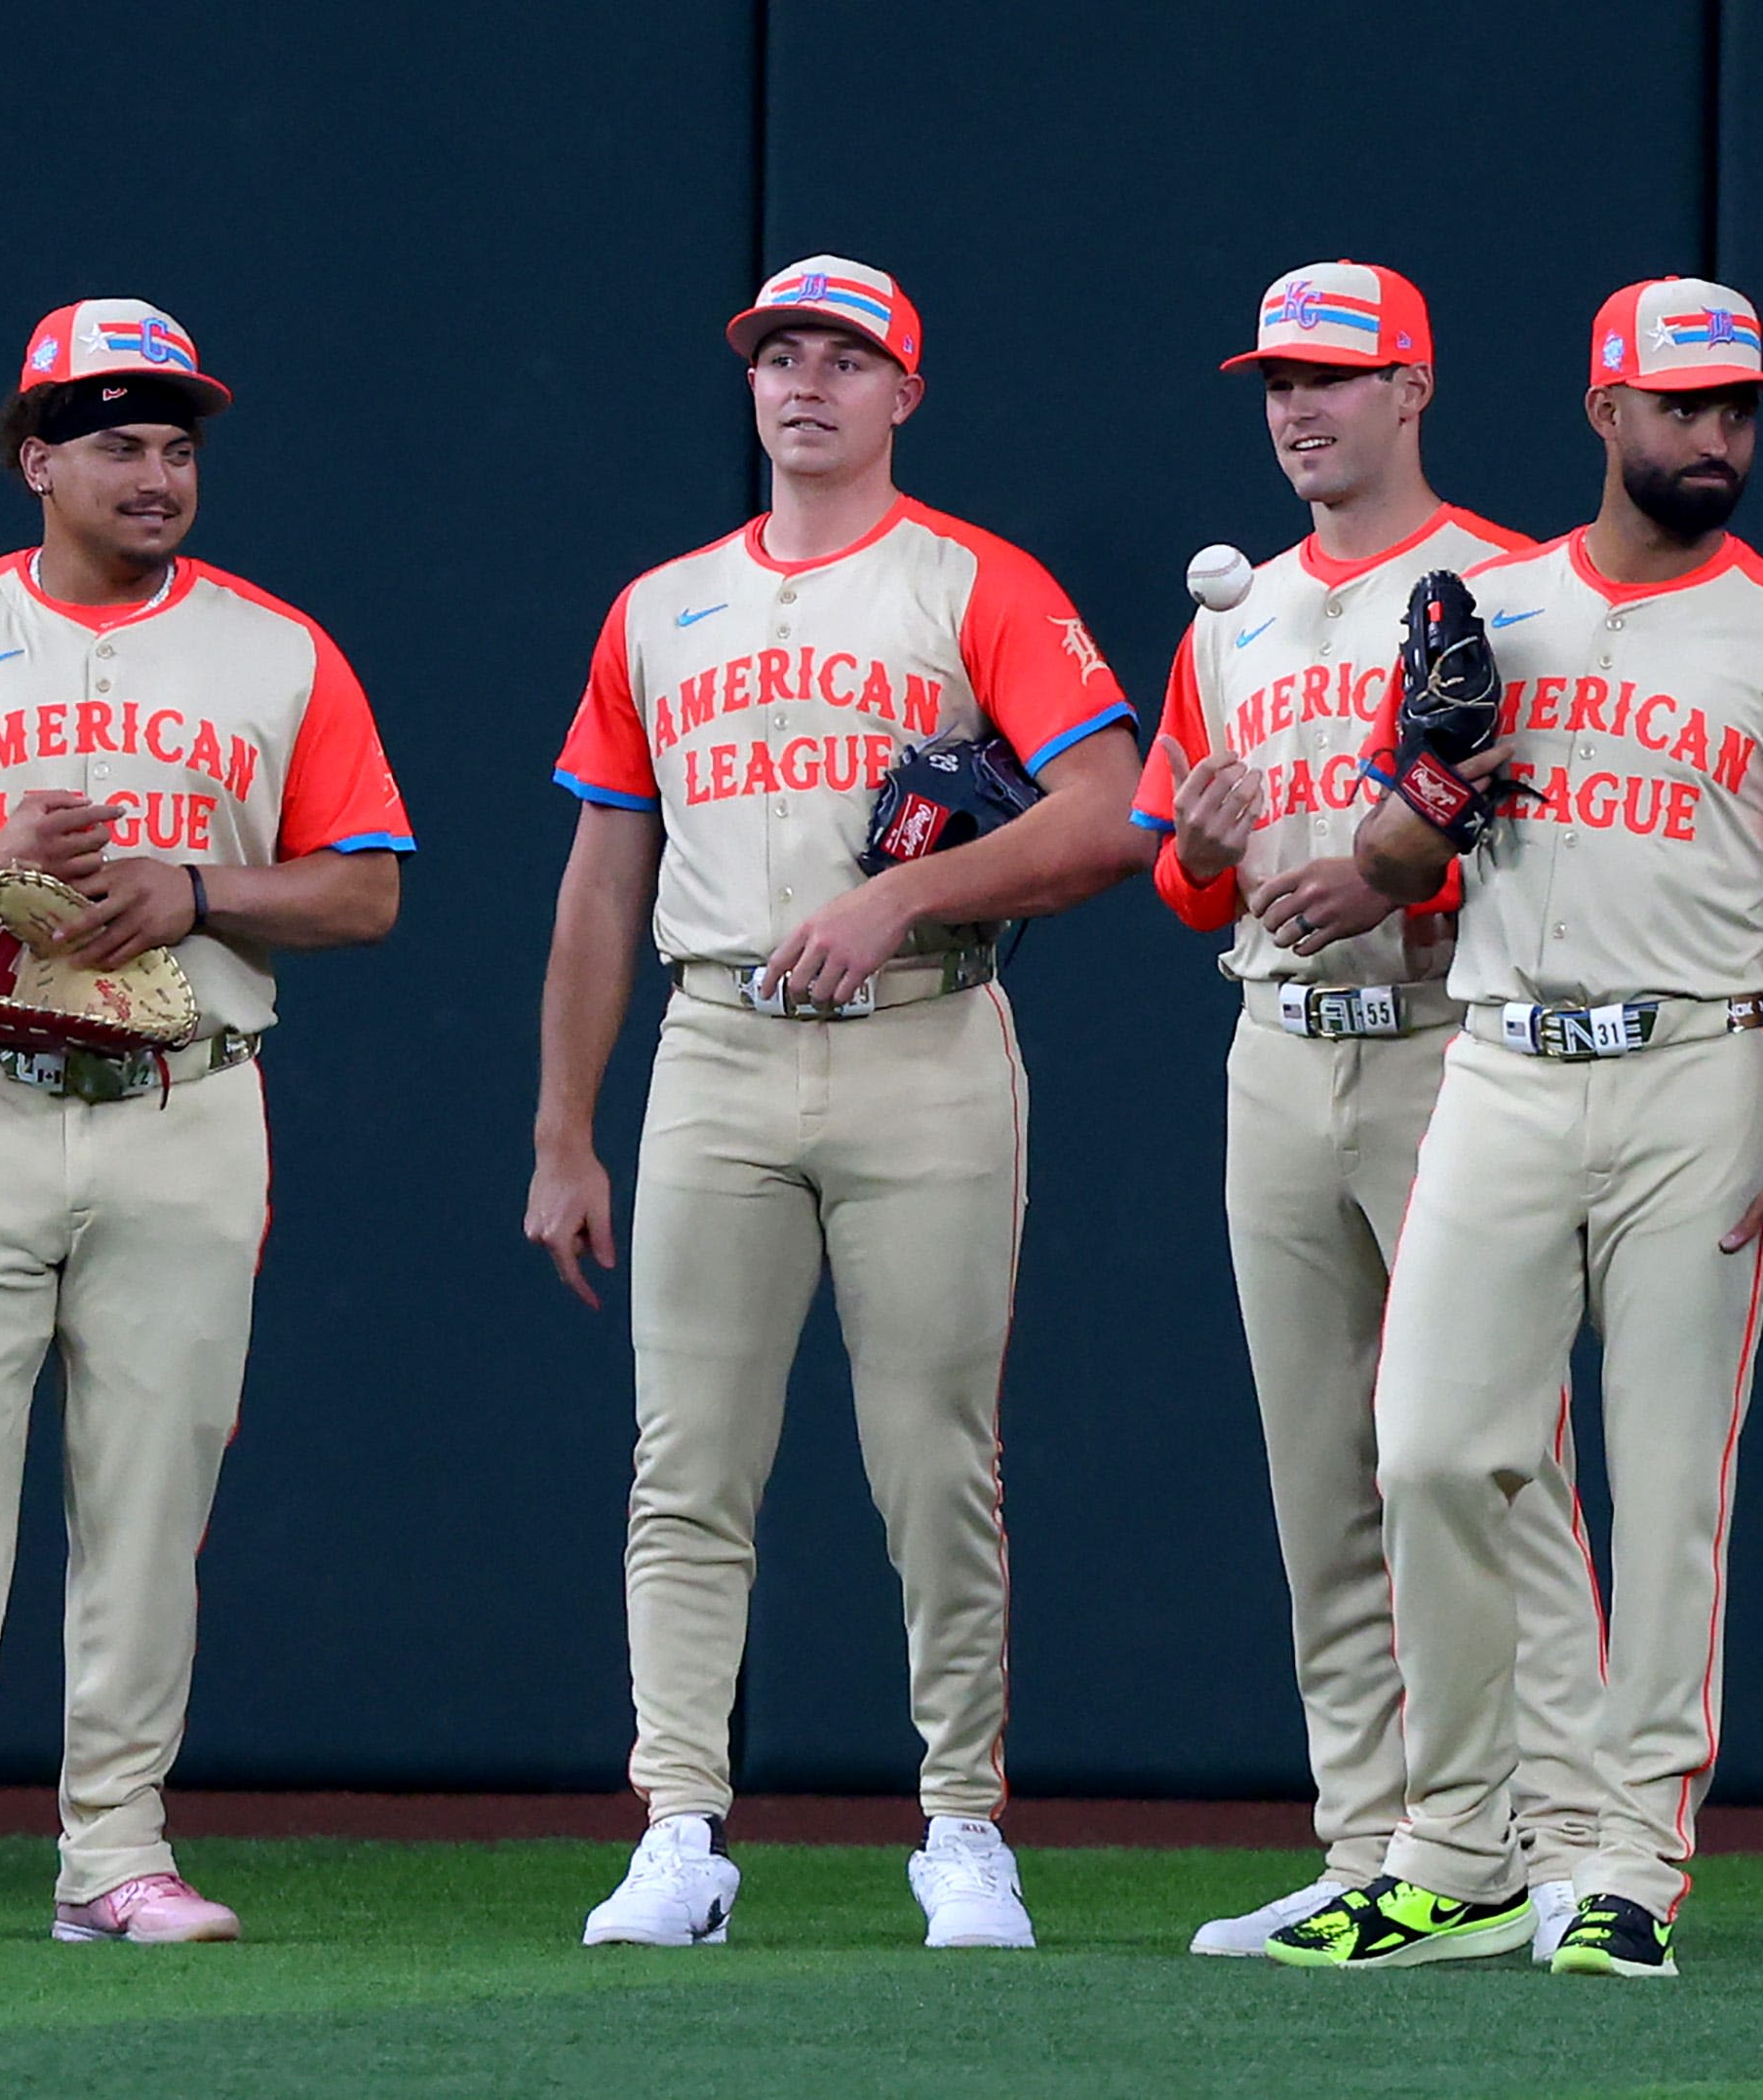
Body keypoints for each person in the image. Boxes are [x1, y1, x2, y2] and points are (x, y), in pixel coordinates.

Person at [525, 256, 1147, 1951]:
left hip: (924, 1038)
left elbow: (1111, 810)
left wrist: (902, 900)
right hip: (713, 1041)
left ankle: (961, 1824)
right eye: (780, 353)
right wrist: (562, 1129)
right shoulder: (660, 605)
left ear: (902, 395)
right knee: (685, 1463)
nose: (805, 381)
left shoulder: (976, 582)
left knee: (932, 1456)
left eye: (844, 358)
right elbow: (601, 876)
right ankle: (677, 1826)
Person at [0, 298, 413, 1944]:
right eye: (116, 440)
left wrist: (197, 885)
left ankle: (114, 1847)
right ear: (34, 457)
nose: (155, 470)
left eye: (177, 443)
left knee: (149, 1492)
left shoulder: (277, 648)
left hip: (181, 1102)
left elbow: (365, 890)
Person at [1316, 277, 1763, 1978]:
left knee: (1665, 1489)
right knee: (1430, 1443)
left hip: (1698, 1072)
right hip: (1501, 1059)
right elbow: (1401, 872)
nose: (1714, 435)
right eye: (1682, 406)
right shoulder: (1488, 611)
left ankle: (1629, 1859)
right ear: (1605, 411)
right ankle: (1462, 1845)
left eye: (1736, 411)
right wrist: (1423, 786)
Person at [1133, 261, 1605, 1964]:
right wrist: (1195, 839)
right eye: (1274, 379)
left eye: (1333, 374)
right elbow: (1188, 880)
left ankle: (1570, 1841)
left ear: (1414, 385)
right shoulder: (1229, 612)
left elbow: (1553, 838)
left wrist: (1405, 878)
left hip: (1446, 1047)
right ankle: (1373, 1840)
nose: (1297, 406)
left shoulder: (1504, 584)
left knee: (1487, 1455)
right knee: (1320, 1470)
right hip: (1275, 1046)